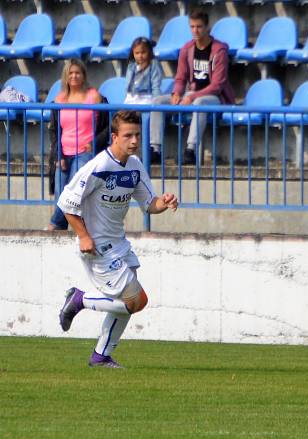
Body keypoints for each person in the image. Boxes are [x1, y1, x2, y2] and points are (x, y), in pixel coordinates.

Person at [57, 111, 179, 368]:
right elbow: (67, 203)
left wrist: (164, 203)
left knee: (127, 304)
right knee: (137, 301)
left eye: (137, 135)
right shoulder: (98, 166)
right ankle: (79, 300)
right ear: (114, 137)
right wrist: (83, 236)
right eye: (128, 135)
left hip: (120, 244)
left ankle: (101, 356)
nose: (134, 140)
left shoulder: (134, 165)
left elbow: (148, 203)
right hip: (98, 247)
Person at [148, 10, 234, 164]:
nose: (195, 30)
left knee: (199, 103)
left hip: (215, 97)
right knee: (158, 101)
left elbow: (217, 85)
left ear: (207, 27)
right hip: (191, 93)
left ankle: (191, 150)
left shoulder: (219, 50)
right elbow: (180, 77)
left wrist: (191, 97)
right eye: (192, 27)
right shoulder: (186, 49)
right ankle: (155, 149)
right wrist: (176, 93)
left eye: (199, 27)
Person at [47, 59, 107, 231]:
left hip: (85, 152)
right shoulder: (59, 99)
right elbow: (54, 131)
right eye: (70, 73)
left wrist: (94, 143)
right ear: (66, 76)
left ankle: (55, 225)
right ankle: (62, 225)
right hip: (64, 152)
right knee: (61, 194)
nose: (74, 76)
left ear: (83, 75)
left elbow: (108, 125)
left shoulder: (94, 96)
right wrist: (58, 155)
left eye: (77, 73)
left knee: (73, 192)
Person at [124, 37, 163, 105]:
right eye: (137, 53)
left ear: (149, 51)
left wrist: (157, 102)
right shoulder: (131, 65)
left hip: (147, 98)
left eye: (143, 52)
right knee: (120, 115)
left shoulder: (153, 64)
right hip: (131, 98)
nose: (140, 56)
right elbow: (128, 85)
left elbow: (156, 86)